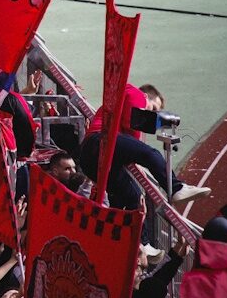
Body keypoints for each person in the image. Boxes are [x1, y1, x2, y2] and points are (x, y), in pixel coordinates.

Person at [78, 82, 210, 209]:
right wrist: (139, 156)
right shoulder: (136, 93)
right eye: (153, 109)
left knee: (134, 198)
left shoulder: (123, 101)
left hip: (90, 159)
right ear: (146, 96)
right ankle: (177, 188)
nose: (152, 115)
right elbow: (131, 123)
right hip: (99, 141)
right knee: (150, 154)